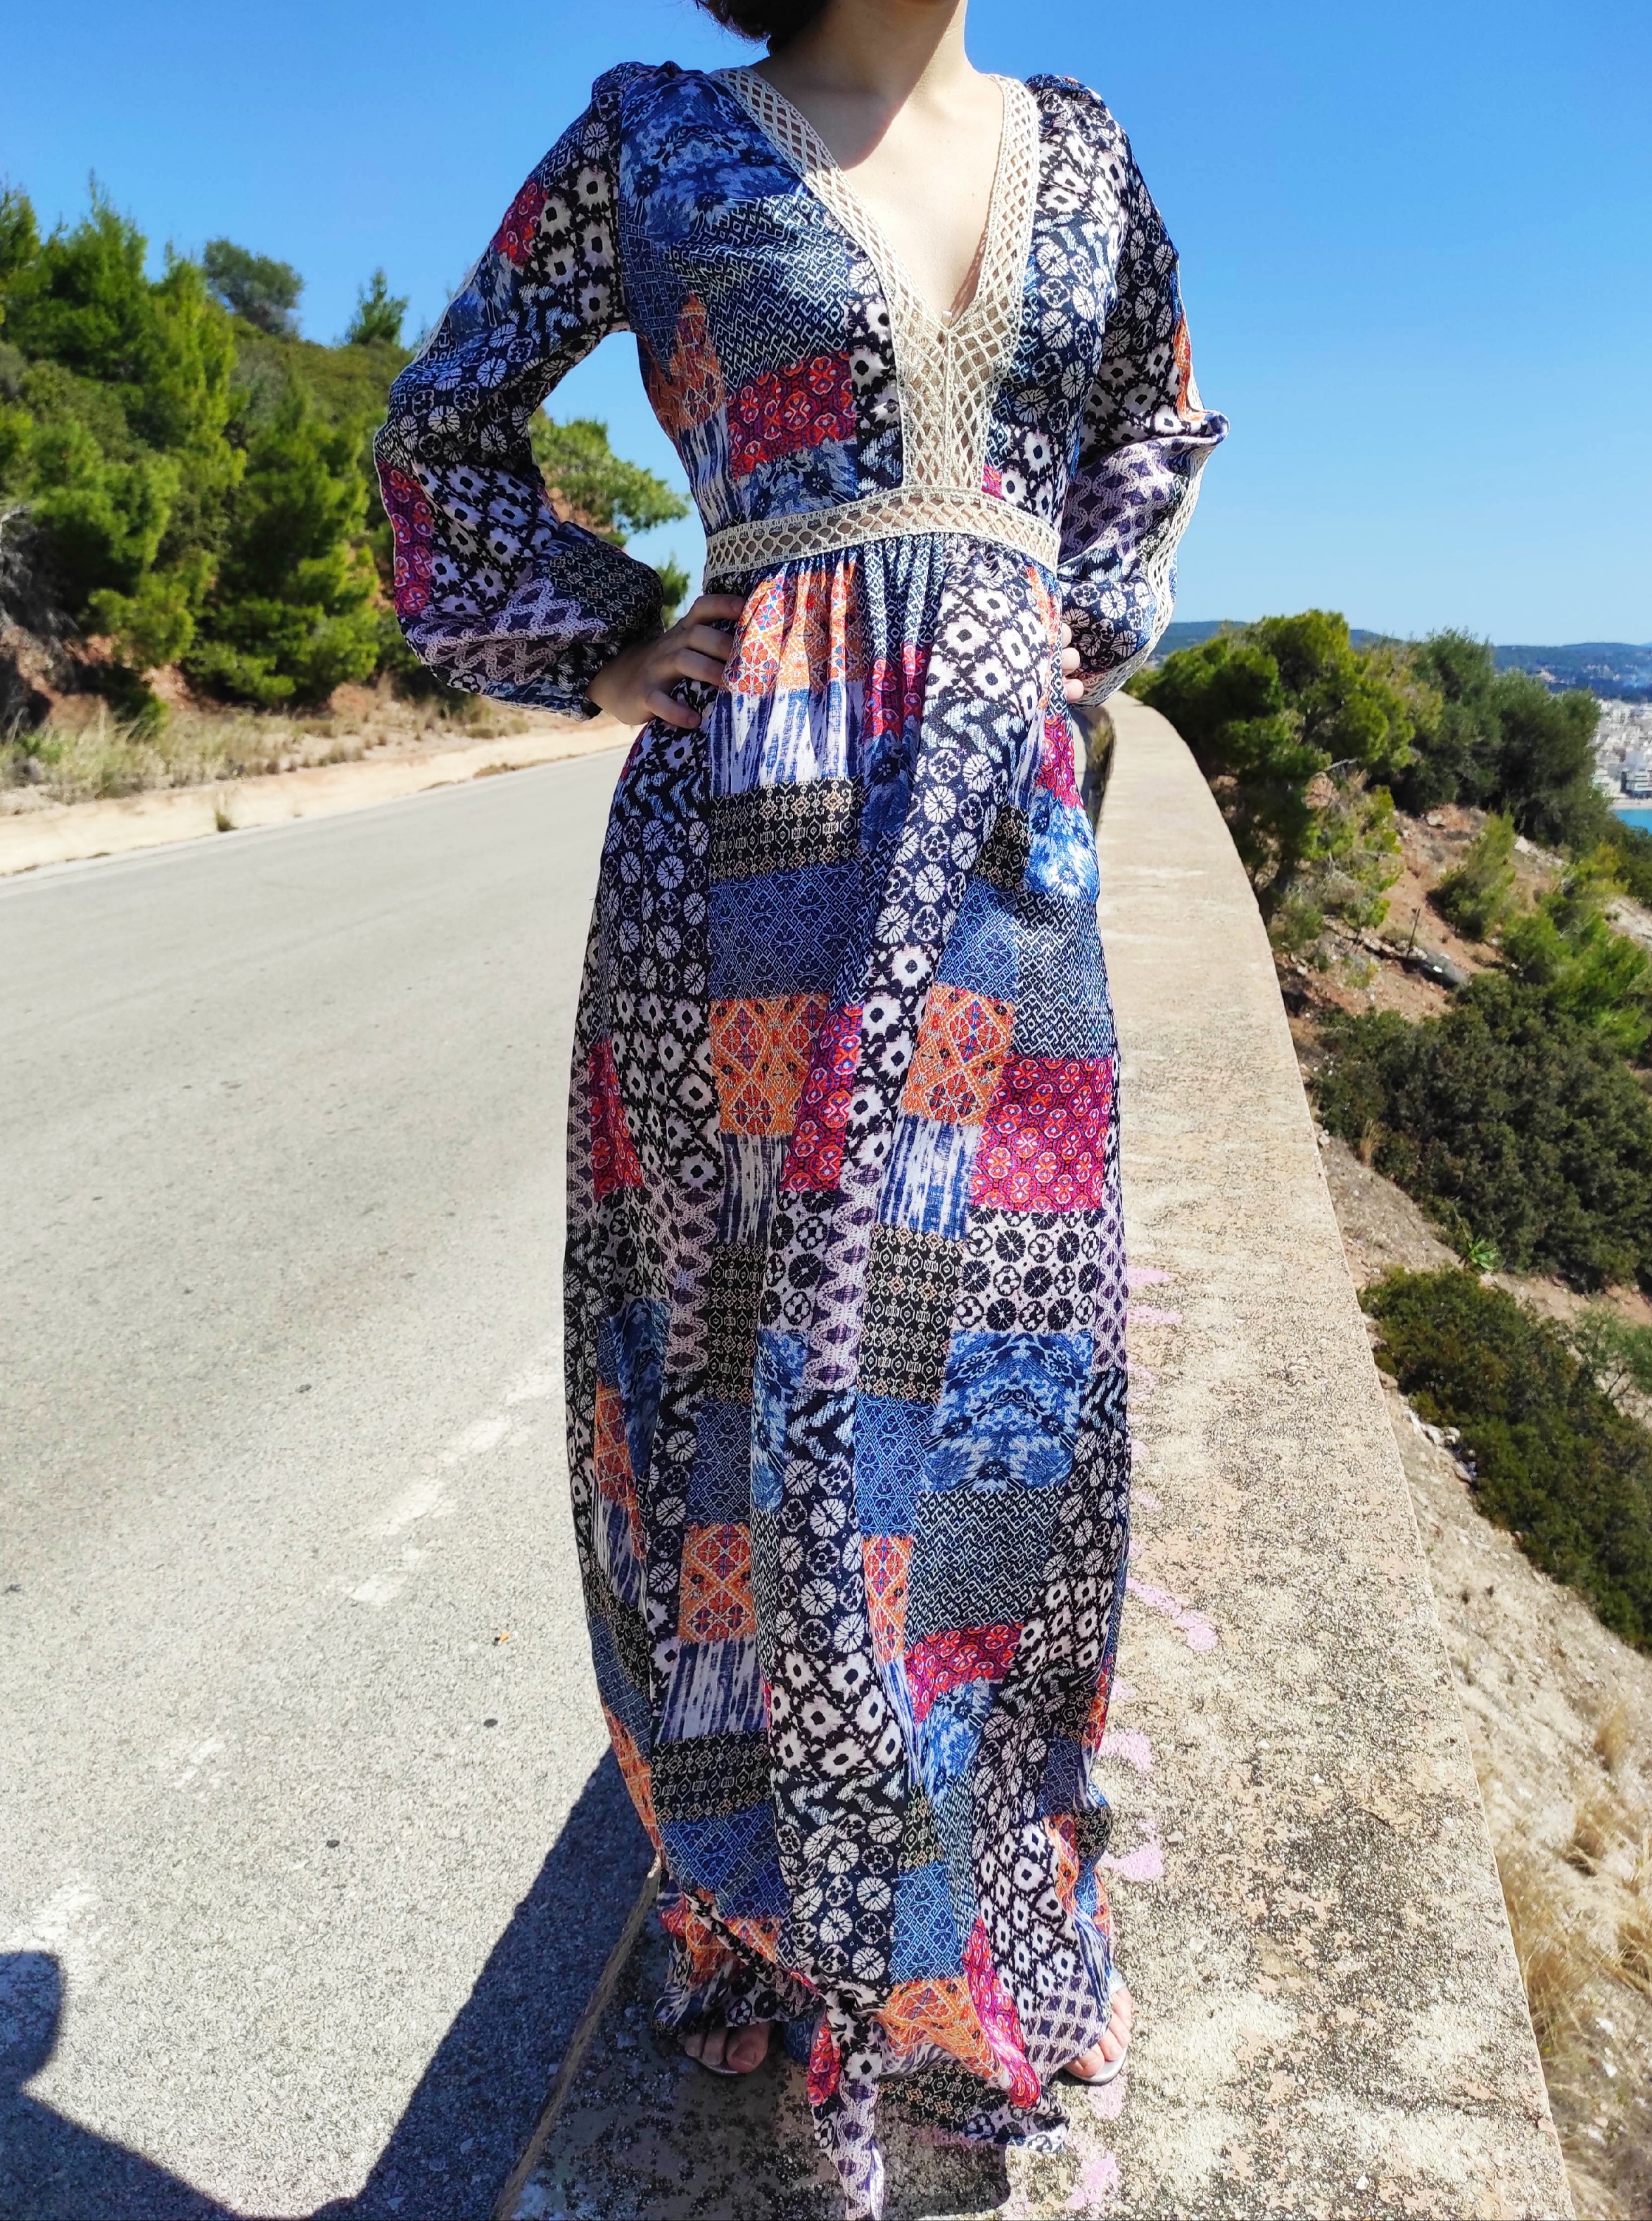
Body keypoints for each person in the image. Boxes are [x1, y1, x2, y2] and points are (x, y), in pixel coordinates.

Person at [376, 0, 1224, 2206]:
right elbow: (441, 422)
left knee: (999, 1397)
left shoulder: (1085, 158)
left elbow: (1154, 425)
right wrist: (599, 639)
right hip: (739, 860)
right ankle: (780, 1927)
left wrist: (1067, 623)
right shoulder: (655, 140)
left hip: (1004, 871)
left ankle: (973, 1924)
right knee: (742, 1401)